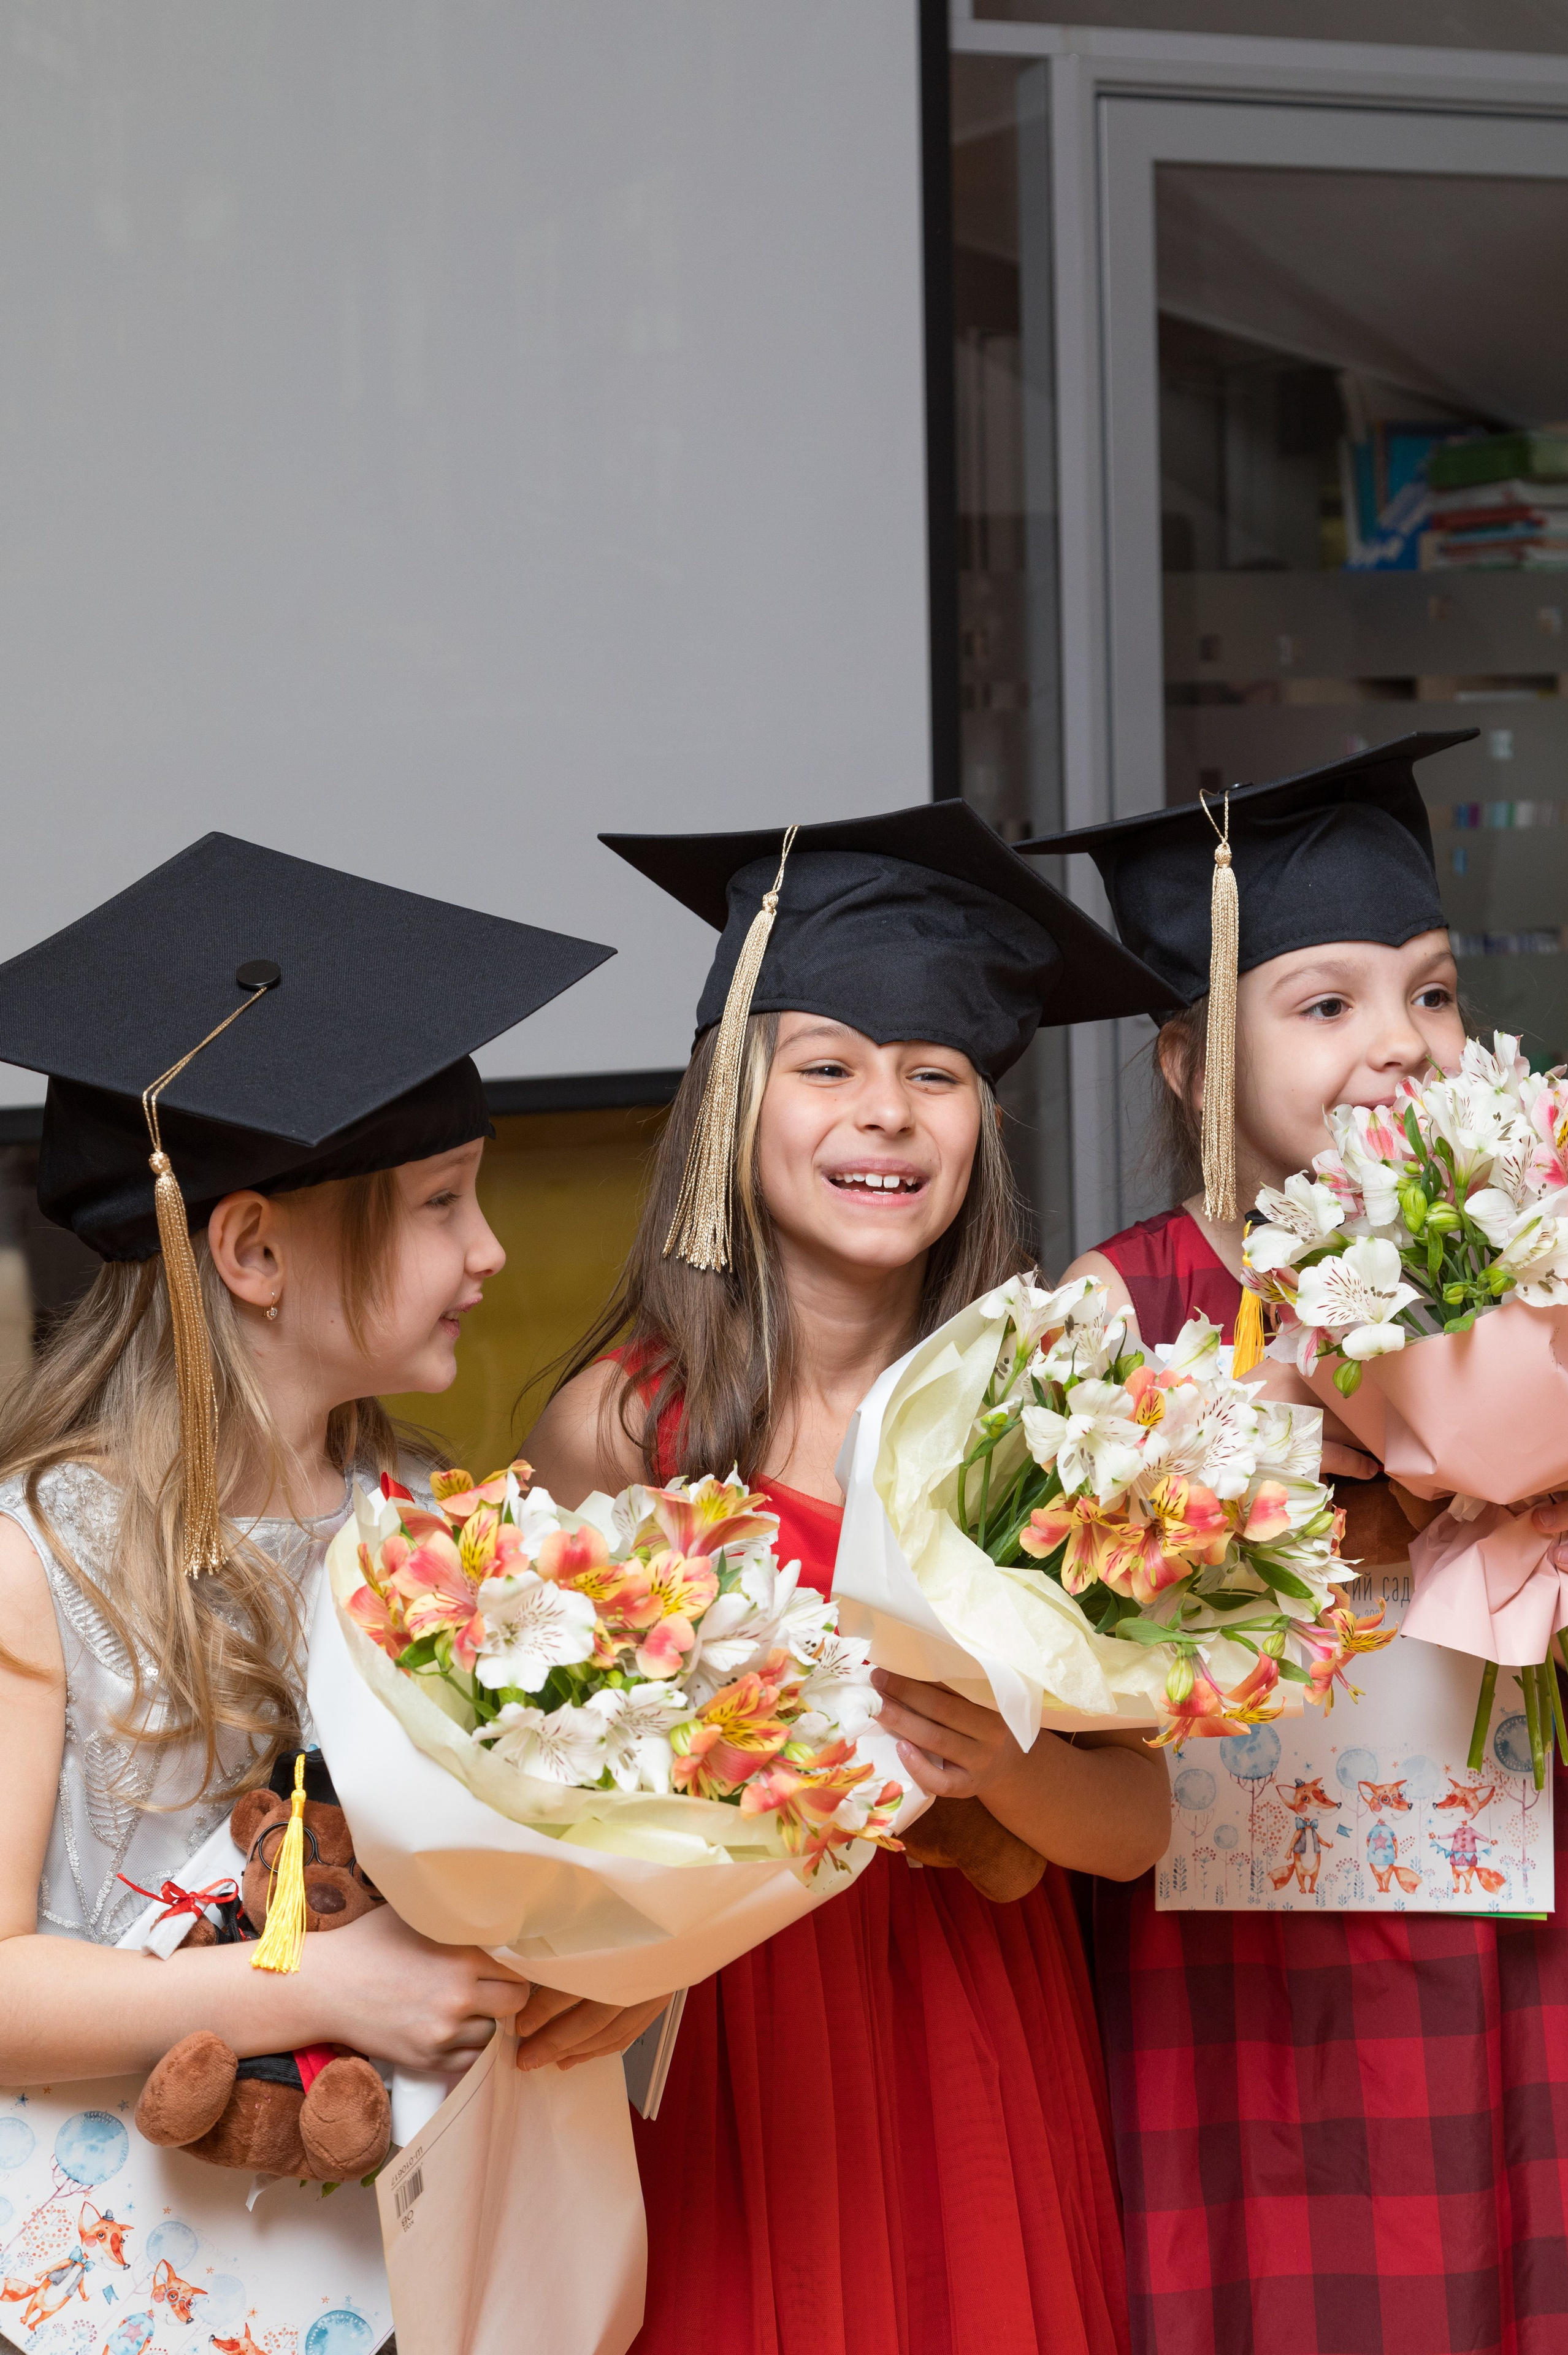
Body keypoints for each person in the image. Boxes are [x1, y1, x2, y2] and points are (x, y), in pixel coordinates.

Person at [526, 799, 1177, 2355]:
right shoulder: (624, 1427)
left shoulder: (1043, 1433)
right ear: (729, 1106)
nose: (884, 1112)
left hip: (971, 2038)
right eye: (825, 1066)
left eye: (935, 1075)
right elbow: (542, 1812)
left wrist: (1005, 1770)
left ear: (980, 1124)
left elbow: (1138, 1824)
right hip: (725, 2055)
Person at [1025, 732, 1568, 2355]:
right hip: (1238, 1989)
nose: (1401, 1046)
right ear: (1188, 1060)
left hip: (1516, 1958)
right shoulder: (1105, 1325)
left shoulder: (1529, 1274)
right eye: (1326, 1004)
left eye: (1433, 993)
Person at [0, 830, 625, 2089]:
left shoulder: (426, 1528)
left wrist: (592, 1971)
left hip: (388, 2236)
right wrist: (314, 1984)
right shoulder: (39, 1559)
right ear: (253, 1254)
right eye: (443, 1202)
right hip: (115, 2247)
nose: (490, 1249)